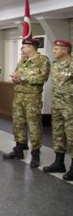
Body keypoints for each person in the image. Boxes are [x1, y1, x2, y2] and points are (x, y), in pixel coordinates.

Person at [4, 38, 50, 168]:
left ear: (32, 47)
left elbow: (43, 77)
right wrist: (15, 78)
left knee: (33, 125)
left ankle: (35, 153)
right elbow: (17, 75)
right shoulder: (22, 60)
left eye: (24, 46)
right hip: (18, 95)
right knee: (18, 123)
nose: (22, 48)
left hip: (32, 98)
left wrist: (24, 77)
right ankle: (19, 149)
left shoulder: (43, 60)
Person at [43, 40, 72, 180]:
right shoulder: (55, 65)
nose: (53, 51)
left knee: (72, 136)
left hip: (70, 107)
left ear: (65, 50)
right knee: (58, 134)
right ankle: (59, 162)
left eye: (56, 48)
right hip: (57, 106)